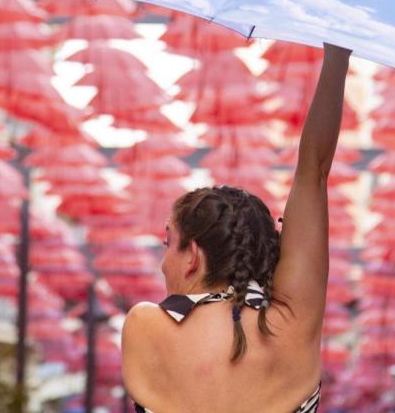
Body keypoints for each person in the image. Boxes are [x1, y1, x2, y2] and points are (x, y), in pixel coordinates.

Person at [122, 43, 352, 413]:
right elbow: (314, 171)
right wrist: (338, 55)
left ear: (193, 255)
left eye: (168, 243)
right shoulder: (291, 323)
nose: (163, 263)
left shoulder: (145, 325)